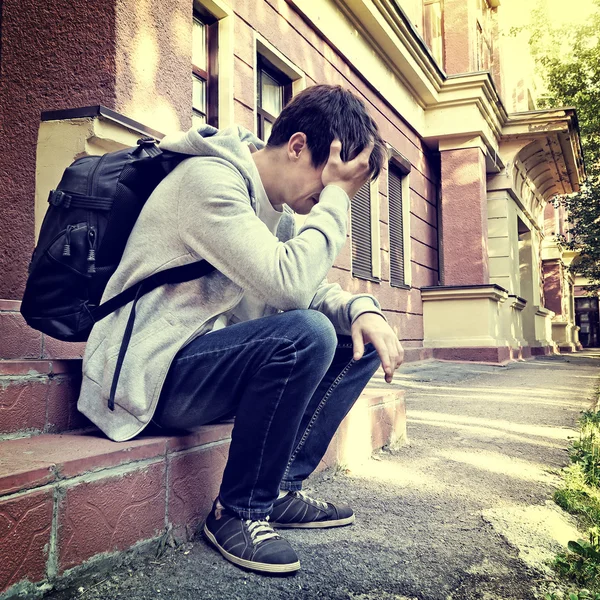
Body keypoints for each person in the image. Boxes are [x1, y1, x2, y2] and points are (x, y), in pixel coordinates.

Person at [77, 84, 404, 574]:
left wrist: (364, 309)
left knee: (353, 337)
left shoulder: (280, 216)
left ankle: (279, 490)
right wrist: (338, 199)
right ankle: (238, 510)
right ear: (297, 146)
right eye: (333, 178)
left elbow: (308, 287)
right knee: (308, 333)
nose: (335, 194)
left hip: (199, 366)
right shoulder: (209, 181)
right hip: (147, 374)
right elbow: (290, 287)